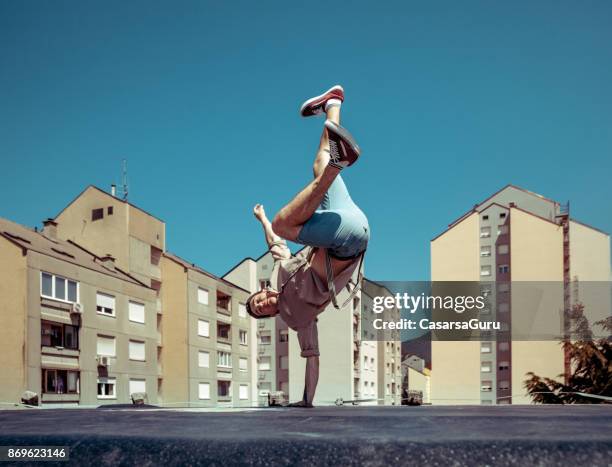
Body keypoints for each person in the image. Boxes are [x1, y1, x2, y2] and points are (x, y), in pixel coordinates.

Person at [246, 85, 370, 408]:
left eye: (257, 299)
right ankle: (335, 167)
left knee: (318, 163)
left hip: (346, 222)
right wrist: (305, 401)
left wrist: (260, 219)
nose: (262, 301)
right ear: (268, 314)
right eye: (260, 308)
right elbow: (312, 358)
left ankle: (333, 105)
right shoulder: (297, 319)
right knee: (284, 223)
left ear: (262, 292)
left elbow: (277, 246)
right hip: (347, 247)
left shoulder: (281, 274)